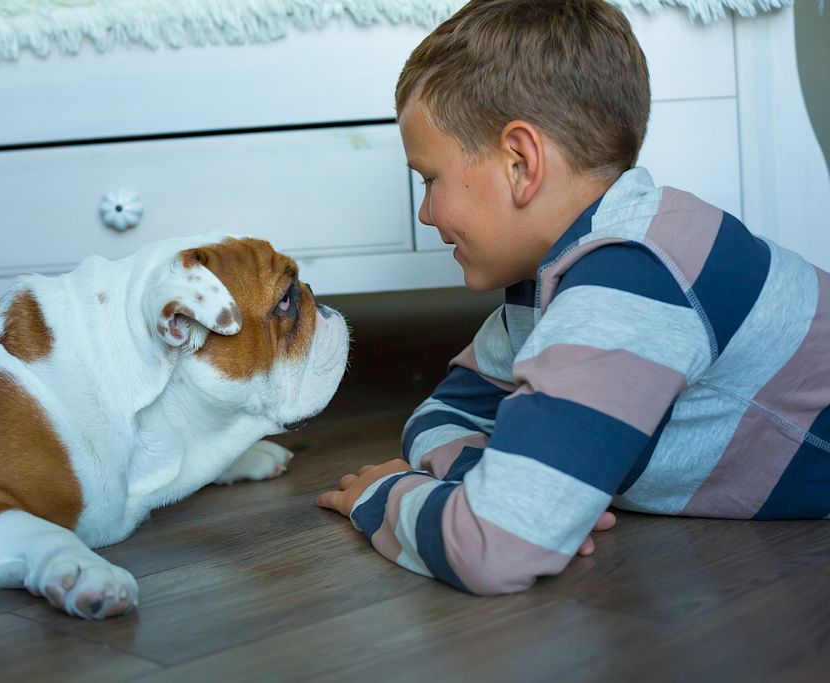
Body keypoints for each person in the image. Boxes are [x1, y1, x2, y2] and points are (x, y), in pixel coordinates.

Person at [316, 0, 830, 596]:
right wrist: (509, 485)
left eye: (430, 178)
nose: (426, 212)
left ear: (520, 163)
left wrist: (382, 496)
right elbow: (444, 413)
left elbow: (494, 549)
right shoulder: (548, 285)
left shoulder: (633, 276)